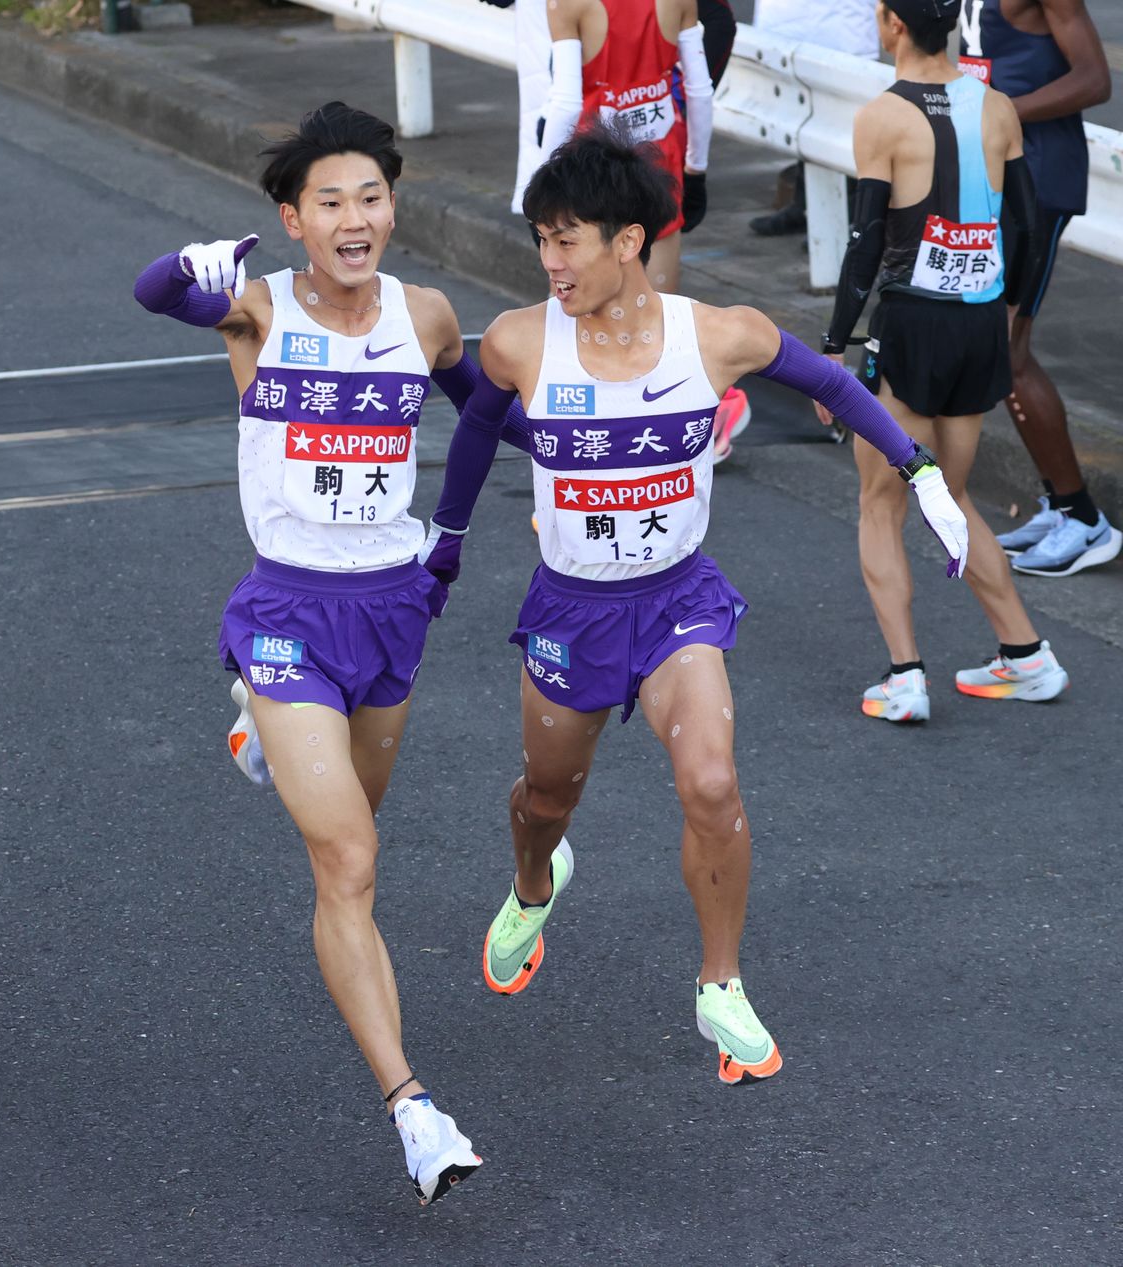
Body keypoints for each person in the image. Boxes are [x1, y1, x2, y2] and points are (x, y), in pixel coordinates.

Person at [416, 121, 969, 1085]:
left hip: (677, 600)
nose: (551, 261)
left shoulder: (718, 336)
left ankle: (721, 983)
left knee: (712, 782)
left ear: (627, 242)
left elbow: (831, 380)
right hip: (571, 609)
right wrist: (447, 538)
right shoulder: (516, 344)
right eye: (541, 239)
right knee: (546, 797)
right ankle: (535, 881)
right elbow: (475, 429)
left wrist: (919, 471)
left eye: (569, 240)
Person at [132, 102, 513, 1207]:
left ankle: (258, 721)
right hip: (287, 609)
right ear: (293, 220)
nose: (356, 219)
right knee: (346, 861)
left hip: (392, 613)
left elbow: (490, 416)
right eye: (331, 202)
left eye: (372, 197)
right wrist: (183, 268)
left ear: (394, 206)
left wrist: (636, 430)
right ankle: (413, 1108)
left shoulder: (428, 314)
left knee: (360, 829)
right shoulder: (254, 311)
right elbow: (157, 294)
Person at [817, 0, 1068, 721]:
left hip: (912, 328)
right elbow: (1023, 219)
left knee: (881, 503)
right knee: (950, 496)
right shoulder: (996, 108)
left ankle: (904, 678)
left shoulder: (883, 117)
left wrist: (834, 347)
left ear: (895, 23)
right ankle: (1026, 656)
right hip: (979, 325)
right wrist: (1012, 310)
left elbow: (866, 244)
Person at [535, 0, 751, 463]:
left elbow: (566, 103)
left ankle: (598, 461)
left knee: (582, 333)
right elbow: (699, 92)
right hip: (661, 172)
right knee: (661, 323)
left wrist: (546, 195)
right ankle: (674, 455)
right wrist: (697, 172)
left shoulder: (566, 4)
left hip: (590, 186)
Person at [959, 0, 1119, 577]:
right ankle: (1060, 505)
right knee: (997, 349)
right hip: (995, 170)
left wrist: (1001, 112)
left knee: (1008, 350)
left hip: (1037, 178)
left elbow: (1095, 79)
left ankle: (1084, 520)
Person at [748, 0, 881, 237]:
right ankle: (804, 206)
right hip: (796, 26)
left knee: (848, 131)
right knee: (808, 122)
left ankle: (846, 218)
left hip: (843, 30)